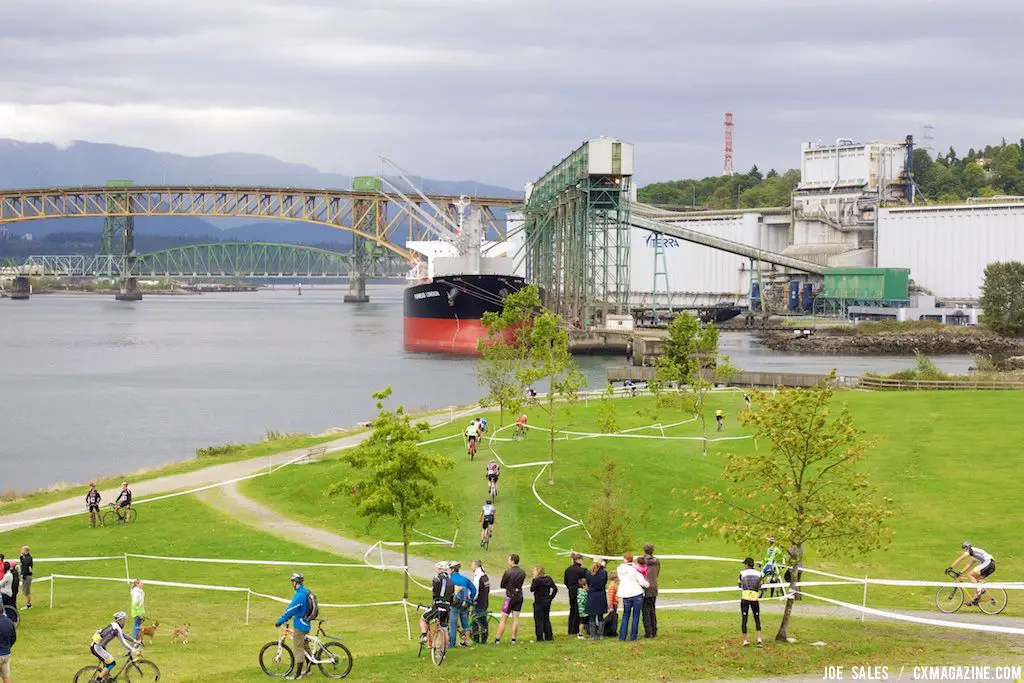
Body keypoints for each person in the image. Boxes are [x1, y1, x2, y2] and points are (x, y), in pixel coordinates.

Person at [275, 572, 313, 680]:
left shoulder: (299, 595)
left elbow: (291, 610)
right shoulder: (305, 591)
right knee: (305, 646)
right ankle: (309, 669)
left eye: (292, 582)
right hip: (306, 623)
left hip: (300, 625)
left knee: (298, 648)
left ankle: (298, 674)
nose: (292, 584)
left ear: (296, 583)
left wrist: (280, 620)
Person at [90, 612, 141, 681]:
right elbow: (123, 642)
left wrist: (134, 640)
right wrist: (134, 651)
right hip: (98, 648)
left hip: (97, 646)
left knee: (107, 664)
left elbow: (123, 635)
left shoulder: (114, 625)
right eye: (124, 620)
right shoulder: (116, 628)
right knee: (112, 663)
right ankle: (98, 680)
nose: (125, 622)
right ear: (120, 620)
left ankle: (106, 680)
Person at [616, 553, 649, 641]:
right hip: (636, 593)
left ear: (625, 559)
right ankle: (633, 637)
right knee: (636, 616)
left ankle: (622, 636)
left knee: (625, 615)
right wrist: (647, 584)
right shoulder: (635, 570)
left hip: (626, 594)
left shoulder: (620, 569)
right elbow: (643, 582)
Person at [494, 554, 526, 645]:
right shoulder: (522, 572)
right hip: (519, 596)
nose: (507, 562)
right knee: (516, 619)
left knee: (503, 619)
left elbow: (502, 585)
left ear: (512, 561)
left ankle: (497, 639)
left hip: (509, 597)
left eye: (508, 560)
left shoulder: (508, 572)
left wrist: (509, 586)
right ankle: (513, 639)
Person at [419, 562, 453, 644]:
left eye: (437, 569)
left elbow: (435, 593)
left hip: (438, 606)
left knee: (423, 619)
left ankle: (424, 636)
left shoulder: (437, 578)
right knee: (444, 629)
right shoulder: (451, 581)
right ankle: (443, 652)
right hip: (447, 607)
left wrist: (435, 601)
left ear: (440, 569)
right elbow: (452, 597)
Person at [447, 561, 477, 647]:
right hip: (465, 604)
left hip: (454, 605)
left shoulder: (450, 579)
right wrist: (470, 598)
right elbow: (474, 590)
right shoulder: (465, 579)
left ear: (452, 569)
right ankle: (467, 641)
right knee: (465, 623)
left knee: (453, 624)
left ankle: (452, 643)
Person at [739, 557, 765, 647]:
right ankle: (759, 640)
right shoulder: (759, 573)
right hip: (755, 598)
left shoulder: (742, 573)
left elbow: (739, 585)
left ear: (746, 565)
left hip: (745, 598)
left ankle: (745, 641)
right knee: (757, 619)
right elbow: (761, 585)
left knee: (744, 619)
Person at [529, 565, 558, 642]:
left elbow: (532, 589)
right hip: (547, 601)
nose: (533, 572)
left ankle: (540, 637)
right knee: (546, 619)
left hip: (539, 602)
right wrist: (550, 598)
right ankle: (549, 636)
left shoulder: (536, 580)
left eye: (534, 571)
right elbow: (555, 589)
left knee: (539, 620)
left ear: (538, 571)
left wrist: (533, 579)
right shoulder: (548, 579)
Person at [563, 552, 587, 637]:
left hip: (571, 591)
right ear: (578, 560)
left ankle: (570, 629)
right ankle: (576, 629)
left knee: (572, 610)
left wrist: (570, 587)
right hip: (579, 591)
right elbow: (586, 581)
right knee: (578, 611)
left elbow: (565, 582)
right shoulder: (582, 570)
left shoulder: (568, 570)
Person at [585, 559, 608, 641]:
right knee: (600, 616)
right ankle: (601, 635)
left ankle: (592, 635)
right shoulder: (604, 573)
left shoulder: (588, 573)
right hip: (601, 595)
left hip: (591, 595)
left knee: (591, 616)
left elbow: (587, 582)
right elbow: (604, 582)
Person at [641, 543, 660, 638]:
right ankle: (654, 630)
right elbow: (657, 573)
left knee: (646, 610)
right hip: (654, 587)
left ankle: (648, 632)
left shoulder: (642, 561)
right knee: (652, 609)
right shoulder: (657, 561)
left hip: (646, 588)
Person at [471, 560, 490, 643]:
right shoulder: (485, 576)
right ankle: (484, 640)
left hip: (478, 602)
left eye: (472, 565)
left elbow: (475, 591)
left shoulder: (478, 577)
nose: (471, 567)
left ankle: (476, 640)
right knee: (483, 621)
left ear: (476, 566)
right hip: (485, 601)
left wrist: (471, 600)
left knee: (475, 621)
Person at [0, 605, 14, 683]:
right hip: (6, 654)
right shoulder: (9, 622)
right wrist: (7, 647)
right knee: (6, 678)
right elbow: (13, 638)